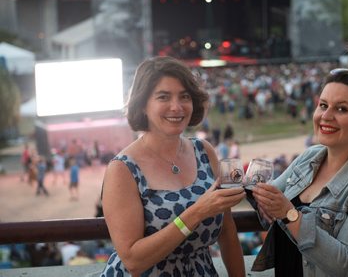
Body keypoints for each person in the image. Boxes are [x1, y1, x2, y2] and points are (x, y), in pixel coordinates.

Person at [250, 44, 348, 276]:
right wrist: (241, 186)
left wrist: (291, 214)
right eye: (323, 105)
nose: (326, 116)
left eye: (342, 109)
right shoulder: (311, 156)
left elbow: (346, 264)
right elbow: (271, 198)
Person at [100, 56, 246, 277]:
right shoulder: (123, 169)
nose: (176, 107)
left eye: (184, 96)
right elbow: (133, 261)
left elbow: (227, 231)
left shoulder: (204, 151)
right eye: (163, 97)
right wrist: (196, 212)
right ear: (143, 105)